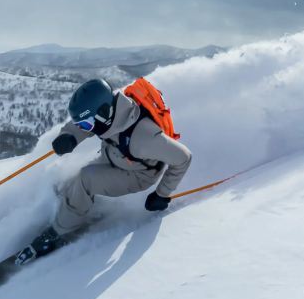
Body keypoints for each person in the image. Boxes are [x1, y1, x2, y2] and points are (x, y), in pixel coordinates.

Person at [15, 78, 192, 264]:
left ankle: (58, 232)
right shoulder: (112, 111)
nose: (84, 129)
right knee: (69, 183)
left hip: (137, 175)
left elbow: (183, 157)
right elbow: (84, 122)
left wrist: (162, 194)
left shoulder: (145, 138)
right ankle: (73, 206)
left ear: (103, 114)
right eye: (82, 125)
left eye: (86, 125)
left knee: (86, 179)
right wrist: (69, 136)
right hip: (116, 155)